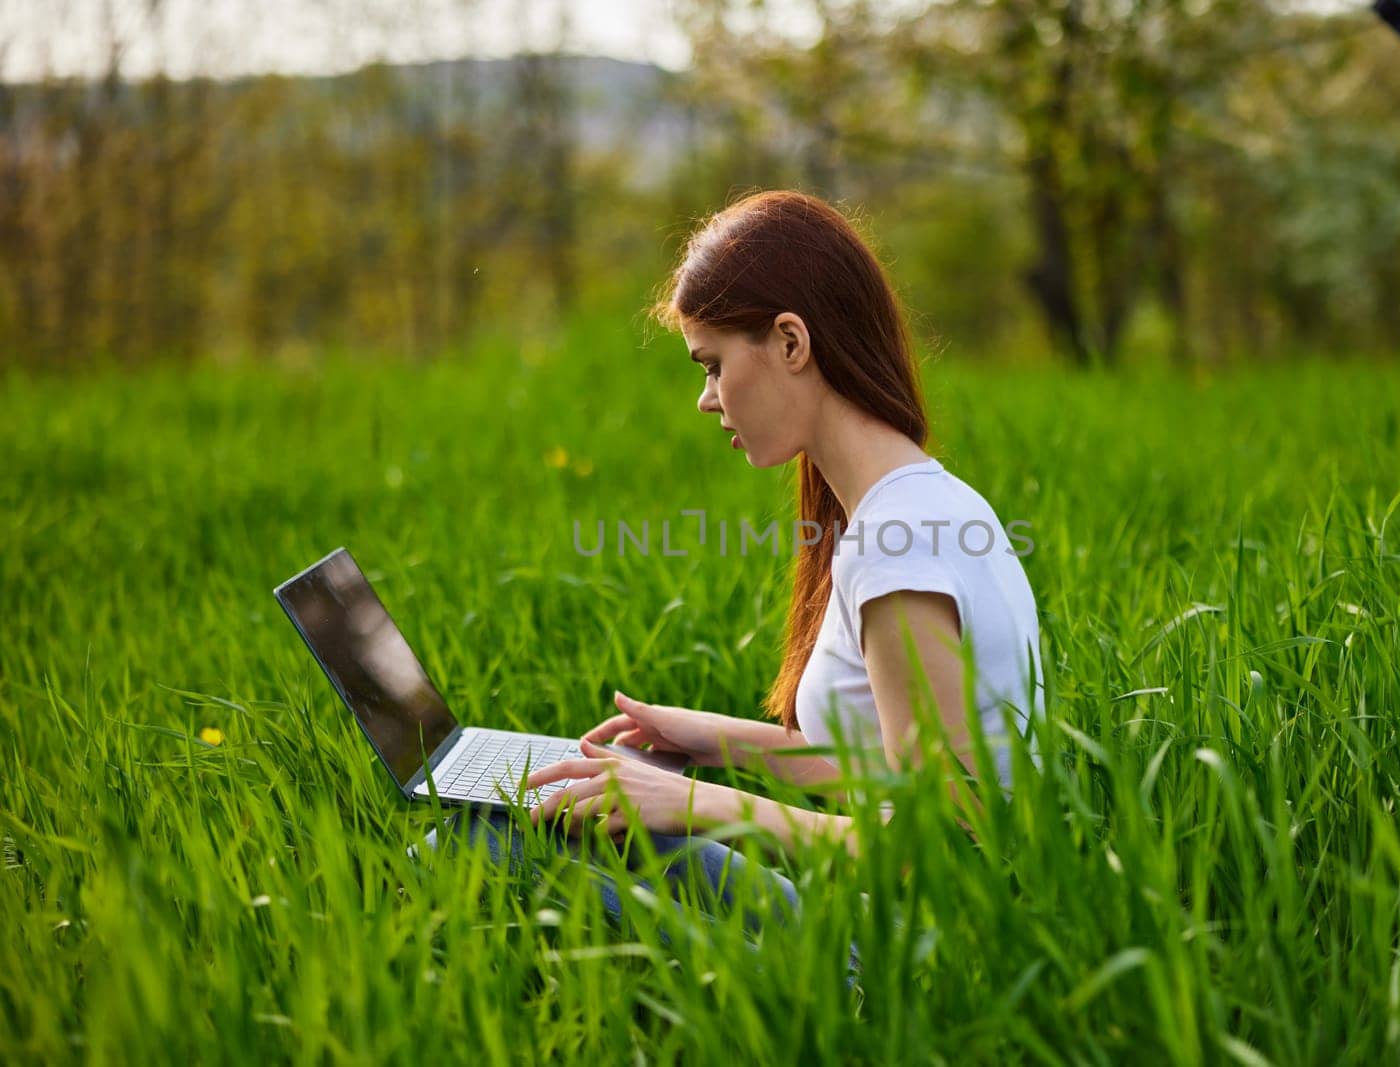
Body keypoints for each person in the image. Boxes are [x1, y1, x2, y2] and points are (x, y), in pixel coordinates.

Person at [420, 189, 1046, 981]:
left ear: (790, 341)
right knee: (538, 826)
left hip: (907, 969)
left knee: (478, 845)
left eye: (714, 365)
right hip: (887, 927)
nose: (706, 398)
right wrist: (712, 743)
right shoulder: (928, 504)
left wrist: (699, 801)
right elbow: (891, 768)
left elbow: (940, 838)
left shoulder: (900, 547)